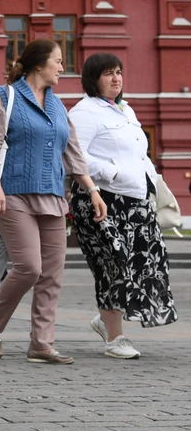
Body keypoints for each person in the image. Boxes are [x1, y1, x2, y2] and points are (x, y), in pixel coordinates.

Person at [0, 39, 106, 365]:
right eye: (58, 61)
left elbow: (73, 153)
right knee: (30, 267)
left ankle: (41, 344)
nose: (62, 67)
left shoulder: (58, 106)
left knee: (52, 274)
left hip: (53, 196)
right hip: (12, 194)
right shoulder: (5, 97)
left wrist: (92, 190)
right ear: (38, 65)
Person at [68, 53, 177, 359]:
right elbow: (74, 155)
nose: (116, 78)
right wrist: (111, 172)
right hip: (101, 199)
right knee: (112, 264)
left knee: (145, 263)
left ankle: (106, 318)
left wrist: (151, 181)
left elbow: (139, 154)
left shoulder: (125, 109)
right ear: (93, 79)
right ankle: (115, 338)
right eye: (108, 74)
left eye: (118, 72)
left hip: (135, 199)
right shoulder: (85, 112)